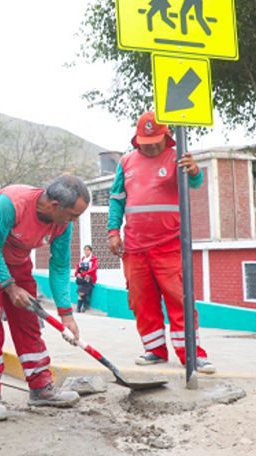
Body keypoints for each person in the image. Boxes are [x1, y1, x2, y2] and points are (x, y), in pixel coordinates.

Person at [0, 175, 89, 421]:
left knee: (29, 322)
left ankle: (41, 387)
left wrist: (66, 314)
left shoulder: (63, 224)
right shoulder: (11, 203)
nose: (73, 221)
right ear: (55, 205)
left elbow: (61, 266)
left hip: (19, 264)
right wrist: (9, 287)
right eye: (72, 215)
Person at [107, 112, 215, 374]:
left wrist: (195, 171)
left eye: (156, 140)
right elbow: (116, 198)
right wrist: (113, 231)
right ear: (137, 140)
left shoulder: (178, 158)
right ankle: (154, 351)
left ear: (166, 137)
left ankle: (192, 355)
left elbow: (195, 182)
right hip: (134, 247)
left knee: (180, 299)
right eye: (147, 141)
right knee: (142, 302)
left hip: (170, 245)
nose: (152, 145)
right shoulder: (126, 162)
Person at [74, 245, 98, 313]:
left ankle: (82, 307)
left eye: (88, 250)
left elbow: (94, 268)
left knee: (81, 293)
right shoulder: (82, 259)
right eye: (85, 250)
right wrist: (77, 273)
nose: (86, 251)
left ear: (91, 251)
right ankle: (83, 306)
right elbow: (78, 266)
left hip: (89, 278)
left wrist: (86, 274)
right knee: (80, 292)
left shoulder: (94, 259)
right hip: (82, 278)